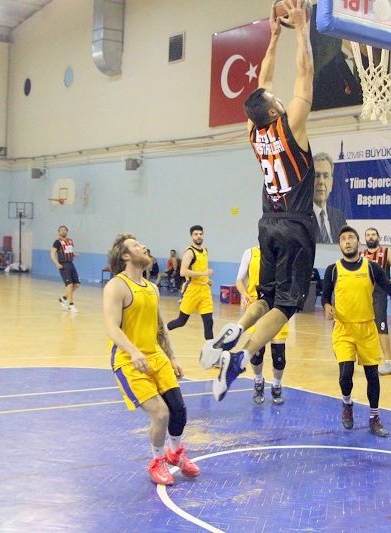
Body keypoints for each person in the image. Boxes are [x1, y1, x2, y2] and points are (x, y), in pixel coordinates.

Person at [199, 0, 316, 402]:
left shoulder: (254, 130)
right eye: (275, 98)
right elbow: (305, 72)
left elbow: (262, 82)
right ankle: (240, 355)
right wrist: (301, 28)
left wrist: (274, 35)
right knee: (286, 305)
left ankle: (232, 331)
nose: (281, 97)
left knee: (265, 296)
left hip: (267, 224)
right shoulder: (292, 125)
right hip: (296, 223)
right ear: (274, 108)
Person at [103, 233, 199, 486]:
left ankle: (176, 454)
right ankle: (157, 461)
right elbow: (112, 328)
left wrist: (172, 357)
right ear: (125, 256)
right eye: (136, 245)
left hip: (156, 356)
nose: (143, 246)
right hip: (128, 360)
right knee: (161, 414)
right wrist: (134, 351)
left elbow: (160, 327)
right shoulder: (116, 286)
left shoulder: (152, 288)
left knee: (178, 410)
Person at [322, 226, 391, 437]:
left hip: (367, 329)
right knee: (345, 375)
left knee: (372, 376)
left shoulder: (371, 267)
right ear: (340, 245)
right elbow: (324, 296)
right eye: (343, 239)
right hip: (343, 330)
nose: (347, 241)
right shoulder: (333, 270)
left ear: (358, 243)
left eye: (351, 237)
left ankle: (374, 417)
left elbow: (390, 289)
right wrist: (326, 306)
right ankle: (347, 404)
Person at [236, 246, 289, 405]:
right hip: (256, 306)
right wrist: (244, 294)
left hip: (278, 307)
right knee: (257, 353)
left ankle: (277, 386)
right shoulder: (250, 253)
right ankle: (258, 382)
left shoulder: (282, 251)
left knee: (279, 355)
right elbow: (239, 279)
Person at [359, 227, 391, 375]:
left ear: (378, 237)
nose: (370, 237)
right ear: (365, 238)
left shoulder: (386, 252)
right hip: (364, 294)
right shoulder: (361, 255)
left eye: (373, 234)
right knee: (362, 326)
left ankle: (389, 363)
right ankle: (364, 359)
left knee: (381, 327)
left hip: (379, 294)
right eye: (368, 235)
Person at [166, 226, 214, 340]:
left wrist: (206, 279)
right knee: (181, 321)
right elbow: (183, 272)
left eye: (200, 234)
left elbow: (200, 268)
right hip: (192, 289)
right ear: (191, 237)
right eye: (196, 234)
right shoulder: (189, 252)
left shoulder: (205, 251)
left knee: (209, 322)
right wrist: (203, 273)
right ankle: (162, 330)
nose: (199, 236)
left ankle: (210, 348)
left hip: (204, 290)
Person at [313, 152, 347, 244]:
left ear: (331, 183)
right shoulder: (301, 218)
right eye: (317, 176)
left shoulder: (338, 217)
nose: (321, 181)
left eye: (326, 176)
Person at [51, 225, 80, 313]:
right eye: (61, 230)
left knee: (77, 284)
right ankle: (71, 305)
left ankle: (63, 298)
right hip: (63, 265)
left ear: (67, 231)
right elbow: (52, 254)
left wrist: (74, 254)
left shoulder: (70, 241)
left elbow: (68, 251)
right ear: (59, 232)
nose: (63, 231)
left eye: (64, 230)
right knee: (69, 285)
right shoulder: (57, 242)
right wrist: (57, 263)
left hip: (71, 264)